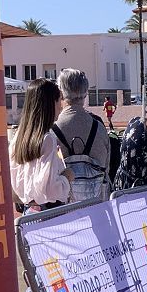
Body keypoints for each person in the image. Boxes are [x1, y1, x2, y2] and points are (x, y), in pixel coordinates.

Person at [9, 78, 73, 292]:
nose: (62, 103)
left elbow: (21, 187)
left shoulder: (18, 139)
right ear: (50, 103)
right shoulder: (47, 140)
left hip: (29, 215)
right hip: (48, 215)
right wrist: (67, 179)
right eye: (58, 99)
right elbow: (48, 188)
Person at [53, 68, 110, 203]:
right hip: (97, 206)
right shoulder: (100, 129)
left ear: (60, 93)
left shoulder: (52, 131)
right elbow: (107, 168)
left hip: (64, 212)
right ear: (86, 93)